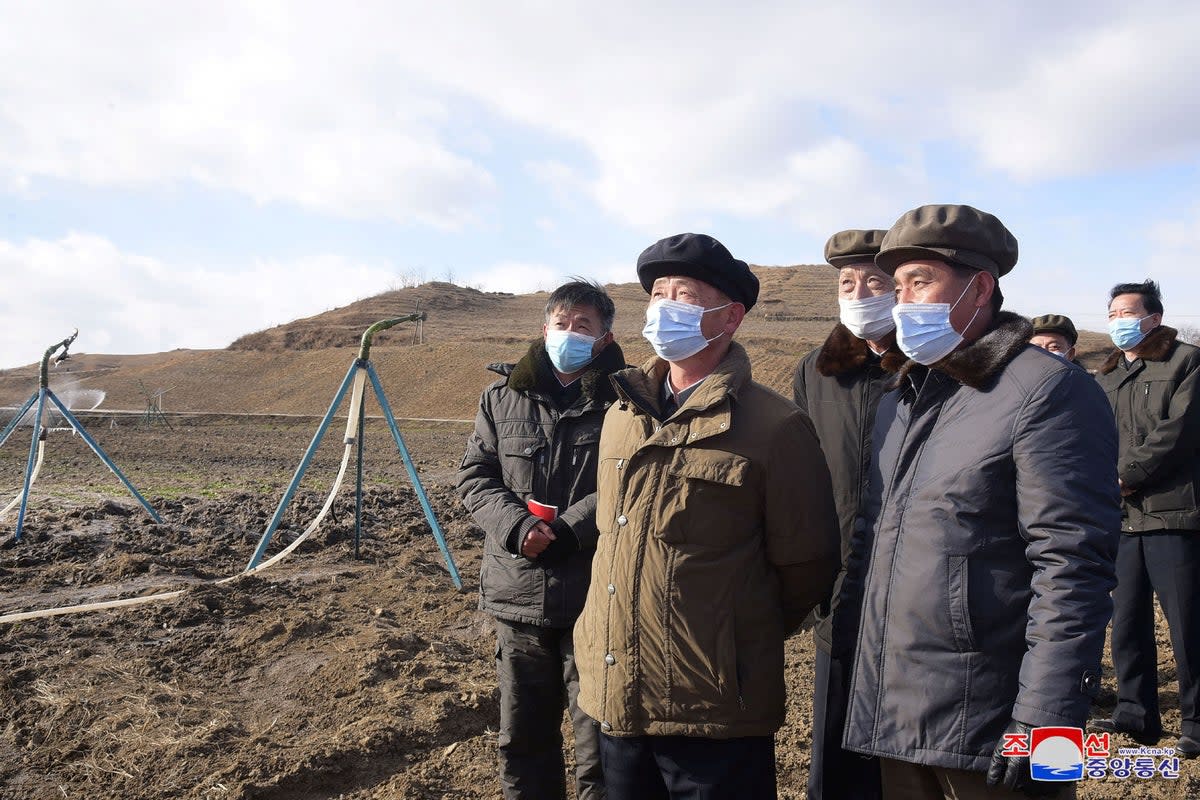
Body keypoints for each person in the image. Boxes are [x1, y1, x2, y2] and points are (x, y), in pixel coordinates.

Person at [842, 204, 1121, 798]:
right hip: (901, 708)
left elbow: (1073, 562)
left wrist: (1047, 715)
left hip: (1001, 714)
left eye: (921, 281)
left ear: (980, 287)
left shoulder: (1047, 390)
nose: (903, 302)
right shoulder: (903, 398)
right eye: (898, 287)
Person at [573, 232, 839, 800]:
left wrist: (726, 637)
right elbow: (612, 537)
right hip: (617, 692)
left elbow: (806, 566)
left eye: (685, 296)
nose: (665, 308)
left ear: (730, 317)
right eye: (658, 294)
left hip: (712, 706)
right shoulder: (622, 413)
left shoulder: (775, 427)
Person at [457, 279, 625, 799]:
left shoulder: (625, 401)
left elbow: (628, 480)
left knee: (598, 744)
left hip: (594, 596)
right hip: (518, 595)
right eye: (562, 323)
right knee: (523, 741)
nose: (570, 334)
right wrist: (518, 527)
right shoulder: (501, 397)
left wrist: (569, 531)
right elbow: (475, 476)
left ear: (603, 338)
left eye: (584, 325)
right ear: (544, 328)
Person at [793, 228, 901, 800]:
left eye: (875, 282)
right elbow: (800, 471)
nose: (860, 293)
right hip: (837, 575)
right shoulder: (816, 370)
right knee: (835, 725)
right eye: (848, 282)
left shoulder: (933, 366)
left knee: (904, 733)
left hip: (913, 580)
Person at [1089, 280, 1200, 759]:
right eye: (1112, 313)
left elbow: (1179, 432)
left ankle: (1197, 720)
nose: (1118, 321)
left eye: (1126, 312)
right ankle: (1135, 711)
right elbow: (1094, 436)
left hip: (1173, 512)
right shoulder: (1107, 375)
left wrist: (1125, 476)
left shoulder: (1186, 362)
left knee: (1188, 624)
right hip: (1121, 519)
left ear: (1153, 317)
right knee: (1127, 621)